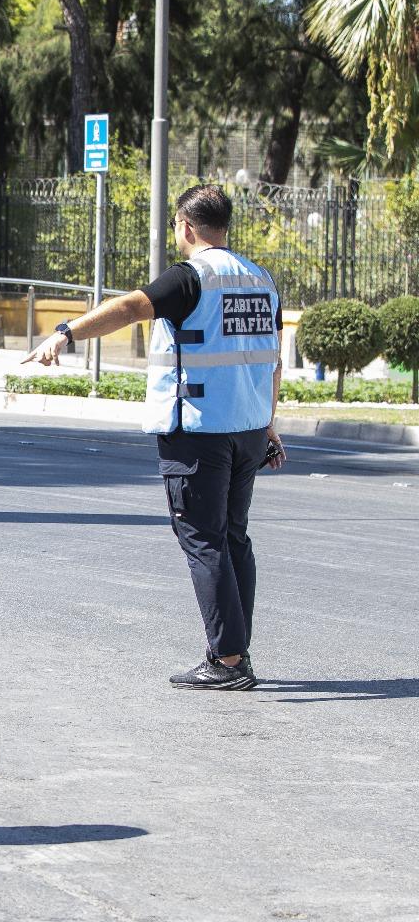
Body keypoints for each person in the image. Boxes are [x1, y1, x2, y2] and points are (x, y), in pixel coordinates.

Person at [21, 184, 285, 691]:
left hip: (199, 430)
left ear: (186, 227)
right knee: (232, 539)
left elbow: (128, 308)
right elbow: (271, 361)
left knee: (204, 540)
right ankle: (234, 649)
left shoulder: (193, 277)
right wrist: (269, 423)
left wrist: (65, 333)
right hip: (249, 430)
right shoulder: (262, 279)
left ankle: (228, 660)